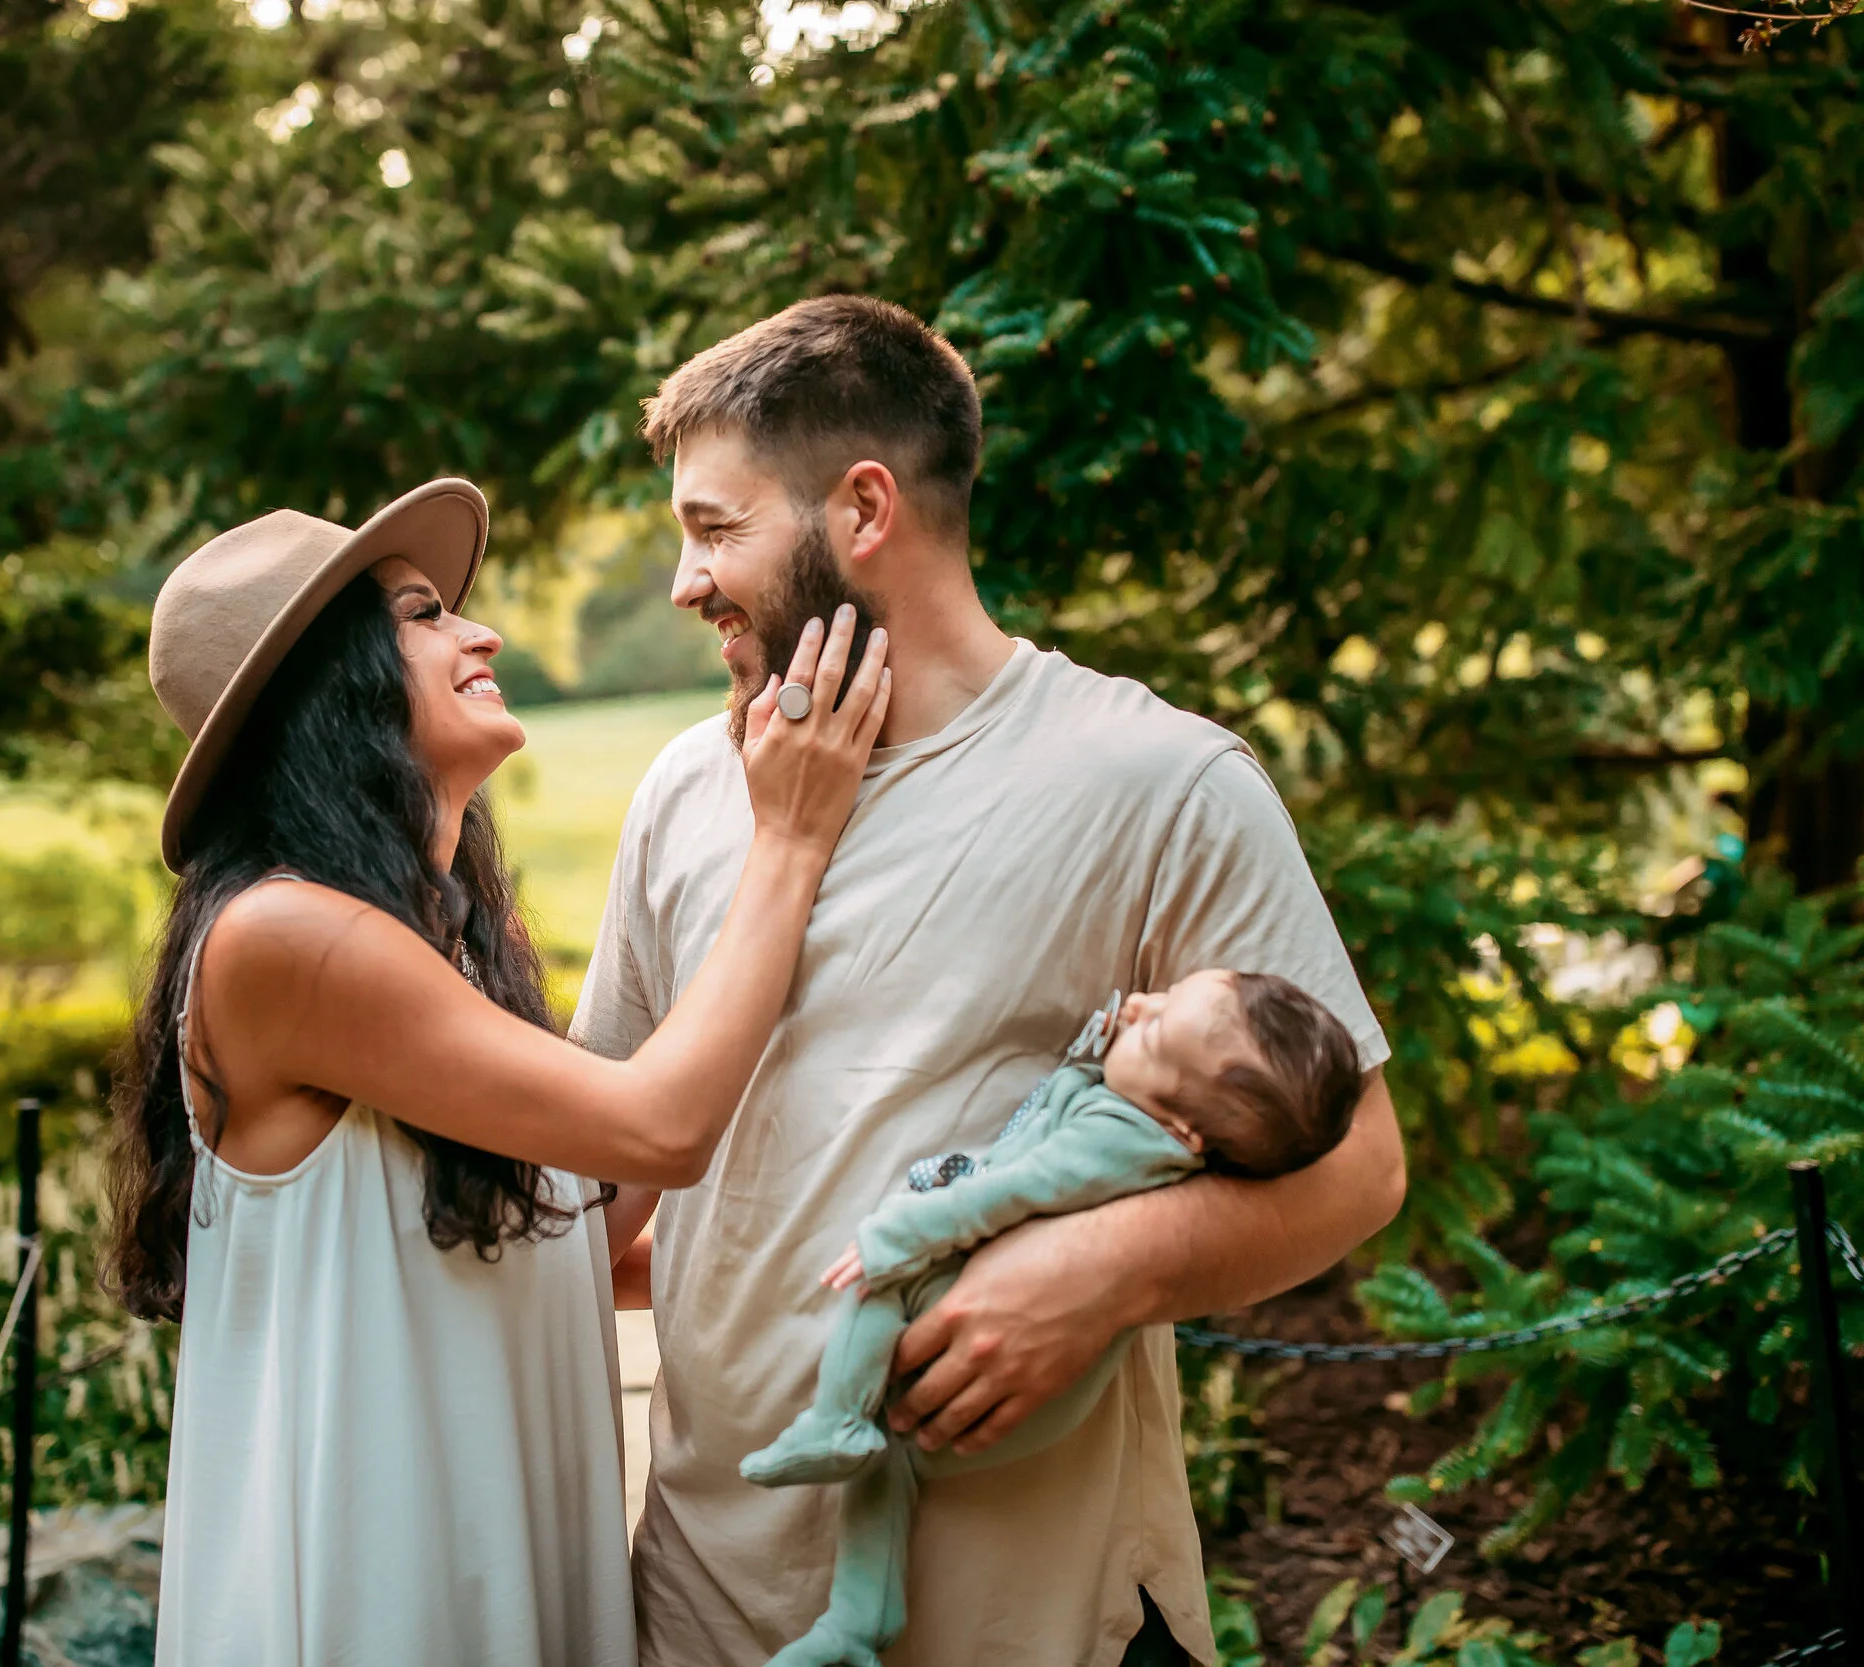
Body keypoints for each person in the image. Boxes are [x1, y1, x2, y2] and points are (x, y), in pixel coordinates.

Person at [576, 297, 1405, 1667]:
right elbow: (599, 1189)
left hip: (1034, 1616)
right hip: (709, 1602)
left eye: (714, 528)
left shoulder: (1160, 783)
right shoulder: (682, 788)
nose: (683, 580)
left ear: (863, 510)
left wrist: (1103, 1263)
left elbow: (1364, 1165)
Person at [101, 478, 891, 1667]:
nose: (482, 631)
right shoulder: (279, 937)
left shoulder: (447, 941)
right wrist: (784, 837)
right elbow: (660, 1126)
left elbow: (579, 1219)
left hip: (486, 1580)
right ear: (334, 687)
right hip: (378, 1606)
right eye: (423, 615)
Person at [743, 970, 1365, 1667]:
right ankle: (858, 1620)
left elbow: (1017, 1187)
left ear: (1183, 1126)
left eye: (1154, 1028)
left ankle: (835, 1419)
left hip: (1003, 1362)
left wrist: (897, 1233)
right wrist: (1123, 1034)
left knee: (876, 1291)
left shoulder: (1122, 1139)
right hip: (1039, 1393)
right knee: (888, 1469)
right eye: (1159, 997)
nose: (1138, 1006)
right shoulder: (1148, 1121)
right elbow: (1078, 1080)